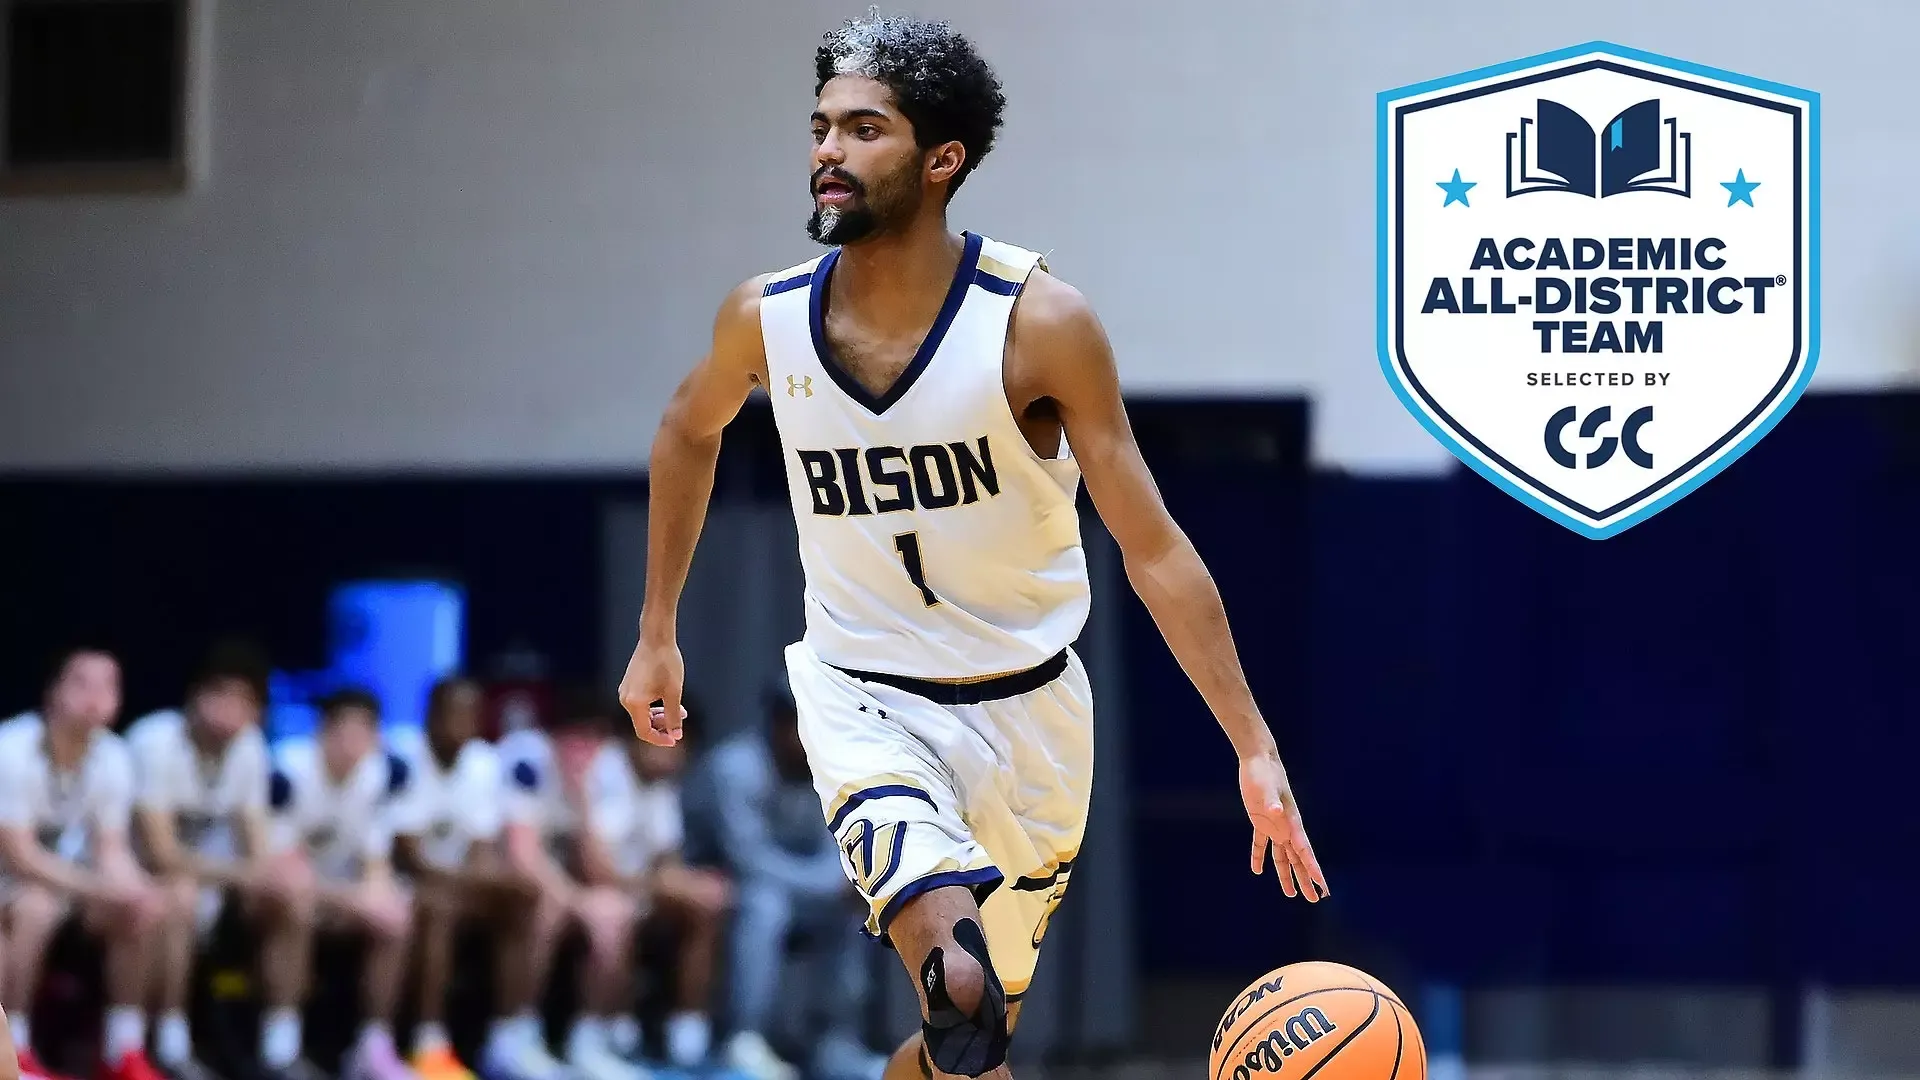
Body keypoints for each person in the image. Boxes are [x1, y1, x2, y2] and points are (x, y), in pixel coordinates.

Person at [616, 12, 1328, 1080]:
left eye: (865, 129)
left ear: (941, 159)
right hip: (866, 704)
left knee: (967, 1046)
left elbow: (1157, 551)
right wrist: (657, 629)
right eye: (821, 127)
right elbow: (686, 429)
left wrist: (1254, 743)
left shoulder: (1039, 323)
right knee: (956, 984)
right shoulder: (764, 319)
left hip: (1034, 715)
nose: (827, 151)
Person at [681, 685, 885, 1080]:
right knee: (765, 905)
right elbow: (748, 860)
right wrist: (830, 886)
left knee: (856, 911)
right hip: (719, 888)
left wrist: (843, 886)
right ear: (777, 722)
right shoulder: (736, 768)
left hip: (794, 892)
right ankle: (744, 1037)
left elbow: (840, 849)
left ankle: (835, 1041)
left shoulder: (829, 769)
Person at [0, 647, 169, 1080]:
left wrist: (135, 890)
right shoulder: (11, 747)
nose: (96, 696)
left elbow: (110, 848)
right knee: (37, 910)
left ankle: (122, 1049)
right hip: (14, 882)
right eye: (82, 683)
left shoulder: (112, 756)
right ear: (52, 691)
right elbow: (19, 856)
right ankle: (14, 1052)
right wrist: (99, 888)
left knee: (140, 908)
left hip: (59, 884)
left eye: (108, 686)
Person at [125, 641, 285, 1080]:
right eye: (221, 695)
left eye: (244, 701)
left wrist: (265, 875)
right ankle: (164, 1042)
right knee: (180, 897)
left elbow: (256, 838)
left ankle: (278, 1044)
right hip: (138, 875)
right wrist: (243, 873)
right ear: (195, 696)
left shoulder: (251, 747)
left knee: (289, 898)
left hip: (211, 879)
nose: (229, 710)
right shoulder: (153, 739)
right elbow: (159, 852)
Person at [265, 689, 420, 1080]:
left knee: (396, 914)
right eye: (344, 732)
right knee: (295, 903)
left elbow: (376, 862)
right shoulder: (286, 769)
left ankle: (373, 1044)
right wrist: (357, 899)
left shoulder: (379, 774)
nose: (353, 744)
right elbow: (284, 866)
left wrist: (379, 896)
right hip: (273, 892)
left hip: (340, 897)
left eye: (364, 733)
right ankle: (280, 1048)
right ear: (322, 732)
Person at [571, 700, 730, 1075]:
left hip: (638, 891)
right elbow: (595, 868)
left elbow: (667, 858)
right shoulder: (602, 771)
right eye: (669, 739)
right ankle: (592, 1037)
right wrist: (662, 885)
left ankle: (687, 1034)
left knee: (704, 905)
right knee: (615, 914)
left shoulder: (661, 786)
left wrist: (682, 885)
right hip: (585, 889)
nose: (678, 751)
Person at [495, 699, 645, 1080]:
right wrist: (567, 894)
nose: (585, 748)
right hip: (506, 880)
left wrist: (581, 799)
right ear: (555, 735)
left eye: (595, 738)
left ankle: (587, 1040)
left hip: (569, 884)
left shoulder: (609, 769)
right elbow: (521, 852)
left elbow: (599, 869)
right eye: (576, 736)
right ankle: (514, 1035)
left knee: (613, 913)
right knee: (545, 906)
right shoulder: (526, 759)